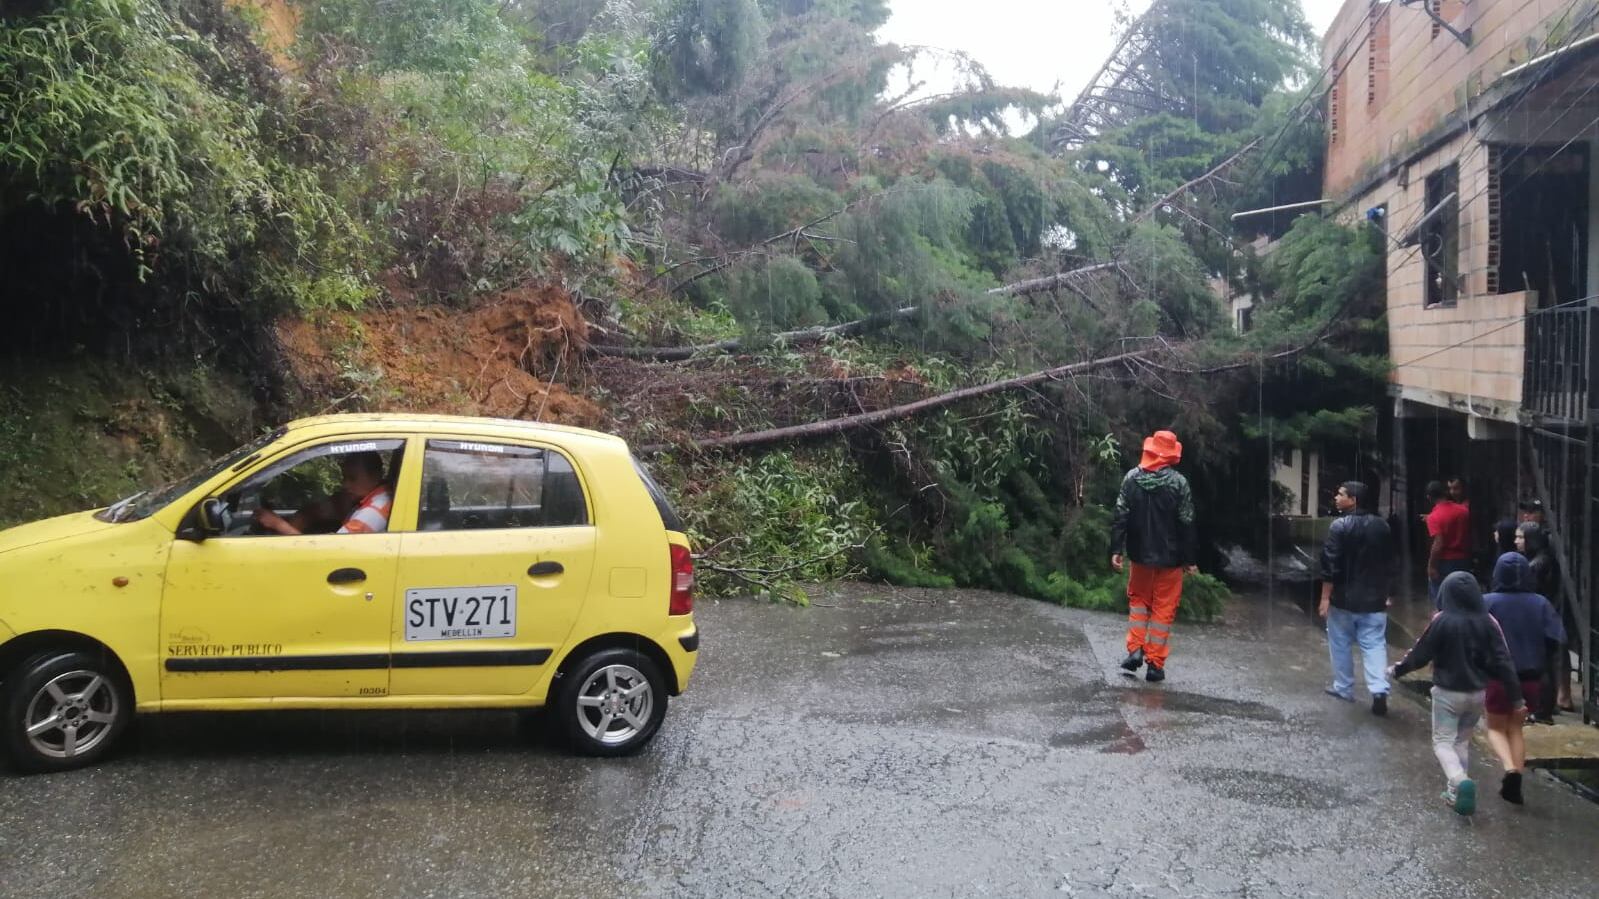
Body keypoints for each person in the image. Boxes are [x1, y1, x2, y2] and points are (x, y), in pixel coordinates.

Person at [1390, 571, 1524, 816]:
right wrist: (1516, 698)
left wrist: (1399, 670)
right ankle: (1456, 792)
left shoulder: (1442, 620)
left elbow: (1421, 652)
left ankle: (1459, 781)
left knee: (1442, 742)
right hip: (1476, 694)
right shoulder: (1489, 622)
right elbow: (1504, 661)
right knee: (1461, 741)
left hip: (1447, 694)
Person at [1109, 430, 1198, 683]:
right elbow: (1187, 523)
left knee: (1138, 601)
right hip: (1171, 560)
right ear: (1171, 455)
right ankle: (1155, 665)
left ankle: (1135, 649)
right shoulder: (1179, 483)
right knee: (1163, 609)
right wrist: (1190, 559)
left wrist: (1116, 549)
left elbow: (1120, 516)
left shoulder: (1131, 479)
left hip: (1139, 557)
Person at [1482, 551, 1565, 804]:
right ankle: (1516, 780)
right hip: (1530, 679)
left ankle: (1511, 770)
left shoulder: (1486, 602)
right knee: (1516, 728)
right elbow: (1556, 638)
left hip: (1497, 678)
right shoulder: (1540, 603)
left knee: (1495, 729)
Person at [1318, 481, 1394, 715]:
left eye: (1341, 494)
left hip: (1344, 598)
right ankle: (1379, 689)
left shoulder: (1339, 526)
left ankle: (1344, 687)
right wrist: (1389, 592)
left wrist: (1325, 597)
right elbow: (1390, 562)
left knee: (1339, 642)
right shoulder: (1382, 527)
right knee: (1374, 644)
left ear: (1354, 500)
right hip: (1374, 600)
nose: (1336, 497)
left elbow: (1331, 564)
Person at [1517, 521, 1575, 718]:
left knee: (1545, 662)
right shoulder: (1539, 559)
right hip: (1547, 612)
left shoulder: (1536, 564)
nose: (1516, 541)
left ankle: (1544, 706)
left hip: (1543, 615)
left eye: (1520, 537)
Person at [256, 452, 393, 536]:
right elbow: (323, 509)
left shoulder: (371, 514)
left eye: (352, 478)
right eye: (344, 478)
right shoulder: (372, 497)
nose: (345, 485)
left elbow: (326, 554)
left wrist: (277, 524)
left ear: (376, 476)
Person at [1424, 480, 1472, 608]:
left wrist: (1431, 566)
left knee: (1441, 599)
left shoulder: (1433, 517)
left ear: (1429, 497)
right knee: (1461, 597)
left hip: (1444, 562)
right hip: (1463, 559)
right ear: (1445, 493)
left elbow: (1438, 543)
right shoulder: (1463, 511)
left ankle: (1443, 623)